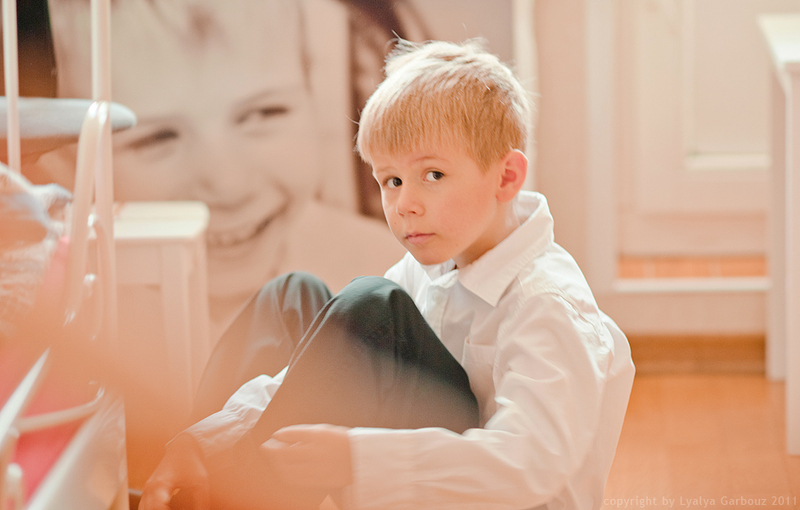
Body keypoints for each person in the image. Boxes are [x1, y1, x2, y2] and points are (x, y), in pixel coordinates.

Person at [139, 39, 635, 510]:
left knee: (371, 304)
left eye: (433, 175)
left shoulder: (547, 303)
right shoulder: (432, 263)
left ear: (506, 177)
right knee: (293, 296)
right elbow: (309, 372)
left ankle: (229, 498)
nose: (404, 204)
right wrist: (201, 440)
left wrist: (357, 457)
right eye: (391, 180)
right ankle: (185, 480)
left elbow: (533, 462)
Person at [30, 0, 420, 334]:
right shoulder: (64, 313)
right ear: (62, 165)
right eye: (157, 139)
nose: (229, 185)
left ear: (312, 100)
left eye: (264, 113)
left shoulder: (395, 270)